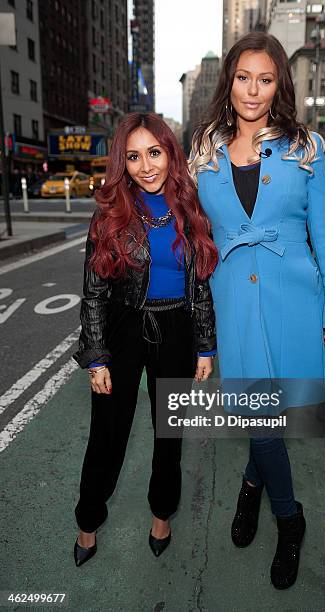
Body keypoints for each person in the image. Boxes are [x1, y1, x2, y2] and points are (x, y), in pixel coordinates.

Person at [190, 32, 325, 589]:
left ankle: (252, 487)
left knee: (272, 416)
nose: (252, 90)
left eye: (265, 78)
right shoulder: (204, 150)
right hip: (234, 300)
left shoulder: (305, 146)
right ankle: (290, 516)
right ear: (228, 81)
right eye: (242, 77)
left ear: (279, 84)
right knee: (259, 419)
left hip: (294, 299)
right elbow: (195, 233)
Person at [72, 112, 218, 566]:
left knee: (168, 433)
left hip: (175, 329)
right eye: (133, 157)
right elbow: (94, 292)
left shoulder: (189, 208)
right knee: (107, 436)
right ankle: (88, 521)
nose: (145, 166)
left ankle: (161, 514)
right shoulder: (111, 214)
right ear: (122, 162)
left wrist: (205, 344)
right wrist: (96, 356)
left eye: (153, 152)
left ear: (170, 153)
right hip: (122, 328)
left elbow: (200, 284)